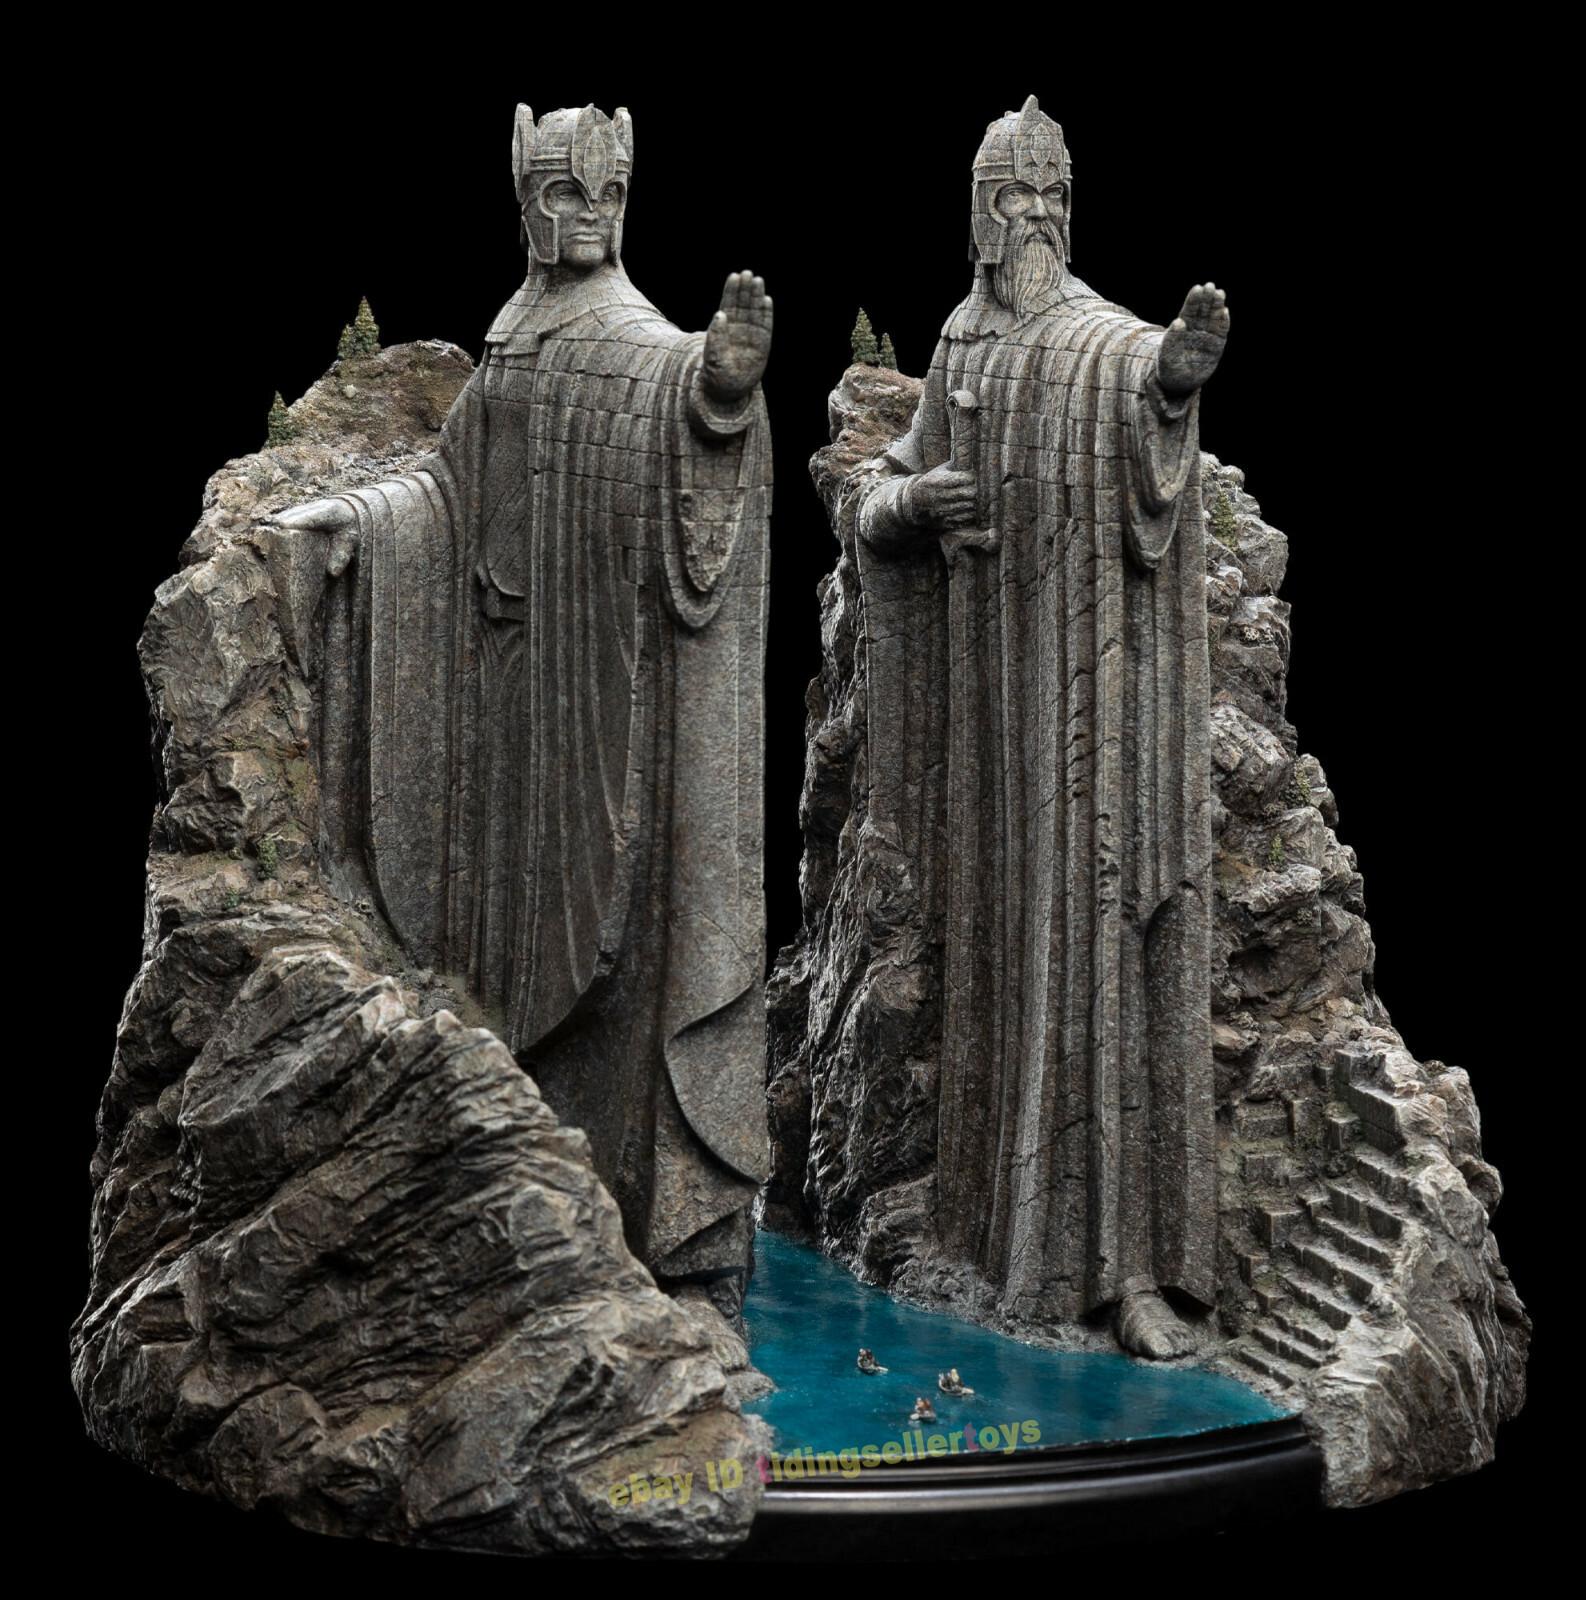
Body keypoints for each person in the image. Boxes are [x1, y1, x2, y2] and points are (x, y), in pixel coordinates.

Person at [267, 103, 773, 1319]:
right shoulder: (516, 329)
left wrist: (717, 389)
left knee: (624, 954)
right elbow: (452, 486)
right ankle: (513, 1191)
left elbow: (682, 398)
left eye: (605, 196)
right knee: (506, 965)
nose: (586, 217)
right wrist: (362, 515)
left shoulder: (633, 338)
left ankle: (666, 1239)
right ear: (525, 203)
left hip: (608, 711)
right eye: (562, 195)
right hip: (508, 709)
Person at [851, 96, 1225, 1357]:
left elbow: (1137, 374)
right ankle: (986, 1236)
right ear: (976, 214)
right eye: (1014, 197)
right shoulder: (961, 339)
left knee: (1100, 957)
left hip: (1093, 715)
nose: (1036, 218)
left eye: (1054, 197)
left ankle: (1125, 1271)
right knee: (1002, 967)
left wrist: (1170, 383)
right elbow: (881, 492)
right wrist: (915, 502)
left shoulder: (1098, 340)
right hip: (993, 726)